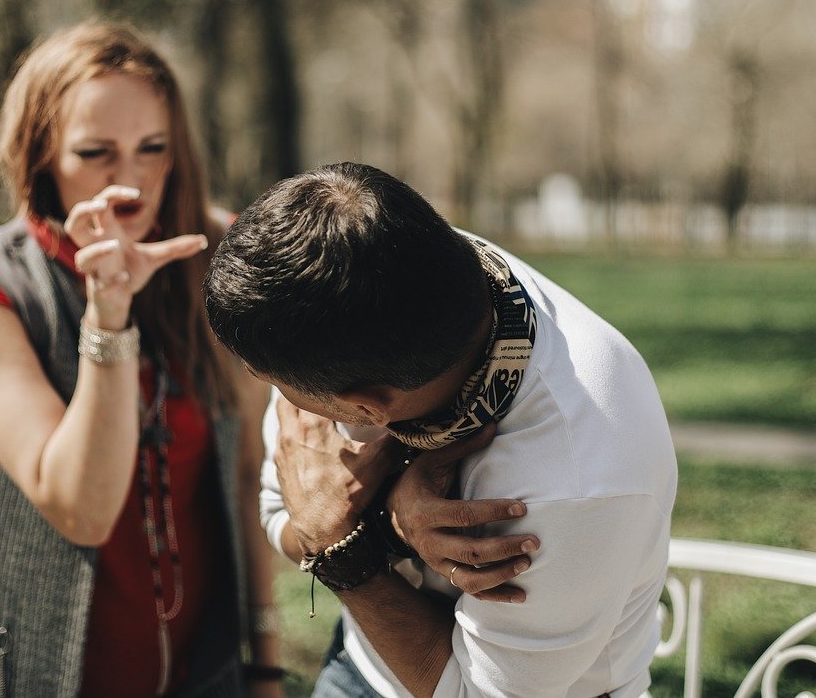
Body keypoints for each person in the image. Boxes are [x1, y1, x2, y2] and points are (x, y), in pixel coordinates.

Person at [204, 162, 678, 698]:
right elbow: (284, 508)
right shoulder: (350, 291)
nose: (271, 394)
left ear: (364, 409)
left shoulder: (580, 478)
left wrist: (345, 552)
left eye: (269, 380)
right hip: (362, 655)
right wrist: (386, 528)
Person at [0, 22, 283, 697]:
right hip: (29, 673)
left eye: (153, 148)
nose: (128, 182)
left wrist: (263, 660)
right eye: (95, 153)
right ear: (41, 155)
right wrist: (108, 314)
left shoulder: (214, 256)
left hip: (205, 672)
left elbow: (244, 474)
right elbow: (79, 507)